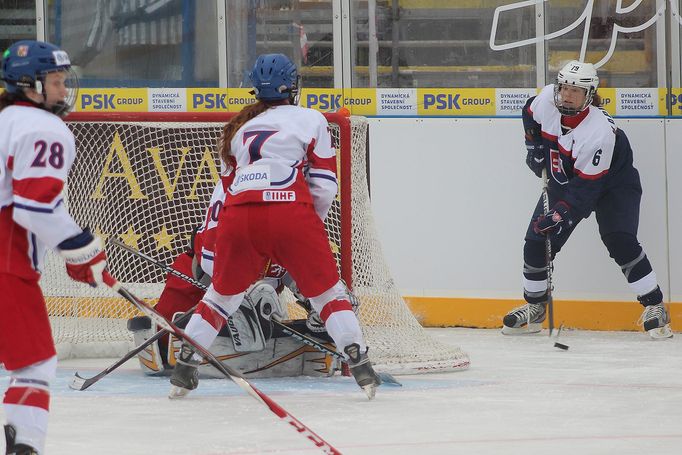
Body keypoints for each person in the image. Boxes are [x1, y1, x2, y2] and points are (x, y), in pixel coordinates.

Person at [168, 53, 381, 400]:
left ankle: (186, 364)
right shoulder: (311, 119)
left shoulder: (239, 128)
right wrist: (307, 228)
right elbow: (325, 186)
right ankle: (358, 359)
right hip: (289, 212)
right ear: (293, 86)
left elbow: (227, 191)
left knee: (220, 297)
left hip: (238, 216)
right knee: (328, 294)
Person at [502, 60, 672, 339]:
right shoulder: (547, 99)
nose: (567, 94)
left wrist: (559, 216)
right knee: (536, 241)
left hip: (613, 184)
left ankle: (655, 306)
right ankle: (535, 307)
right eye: (564, 87)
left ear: (589, 95)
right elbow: (529, 113)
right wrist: (533, 146)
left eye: (576, 90)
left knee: (620, 240)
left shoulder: (600, 133)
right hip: (569, 176)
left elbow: (586, 191)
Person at [0, 41, 111, 454]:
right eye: (57, 81)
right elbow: (34, 206)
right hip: (5, 261)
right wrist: (83, 251)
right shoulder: (43, 128)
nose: (65, 90)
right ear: (30, 85)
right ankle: (24, 447)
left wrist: (69, 250)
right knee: (33, 364)